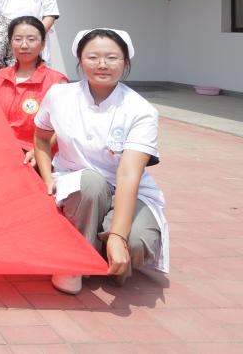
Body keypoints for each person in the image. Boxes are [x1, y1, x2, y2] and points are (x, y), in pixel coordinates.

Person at [35, 28, 169, 295]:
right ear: (80, 60)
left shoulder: (141, 110)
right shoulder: (59, 95)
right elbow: (41, 137)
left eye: (112, 57)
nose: (102, 64)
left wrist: (118, 236)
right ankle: (74, 263)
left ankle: (105, 248)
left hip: (126, 190)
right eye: (93, 57)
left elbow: (128, 175)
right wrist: (48, 178)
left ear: (125, 62)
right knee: (91, 182)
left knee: (136, 242)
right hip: (79, 184)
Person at [0, 16, 67, 166]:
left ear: (43, 44)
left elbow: (62, 127)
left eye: (31, 39)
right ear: (10, 43)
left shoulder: (57, 81)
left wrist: (36, 152)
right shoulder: (1, 75)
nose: (24, 45)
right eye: (18, 39)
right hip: (1, 152)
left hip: (38, 156)